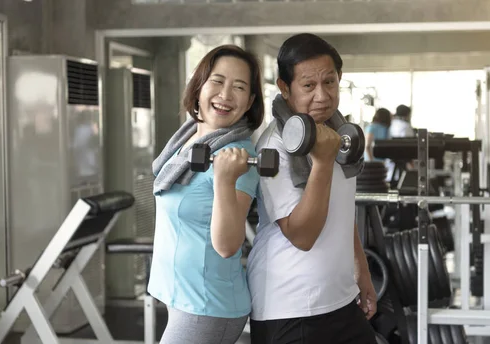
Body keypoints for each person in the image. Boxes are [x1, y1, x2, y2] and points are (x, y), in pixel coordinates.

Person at [247, 33, 378, 344]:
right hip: (291, 307)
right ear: (284, 88)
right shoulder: (274, 146)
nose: (322, 95)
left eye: (329, 82)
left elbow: (342, 213)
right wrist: (321, 164)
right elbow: (301, 236)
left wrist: (362, 272)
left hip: (340, 298)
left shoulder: (337, 132)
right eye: (308, 86)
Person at [149, 44, 264, 344]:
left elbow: (227, 246)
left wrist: (225, 181)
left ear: (250, 100)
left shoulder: (237, 156)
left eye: (239, 87)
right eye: (217, 81)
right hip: (183, 298)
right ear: (198, 84)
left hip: (208, 305)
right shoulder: (187, 139)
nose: (226, 95)